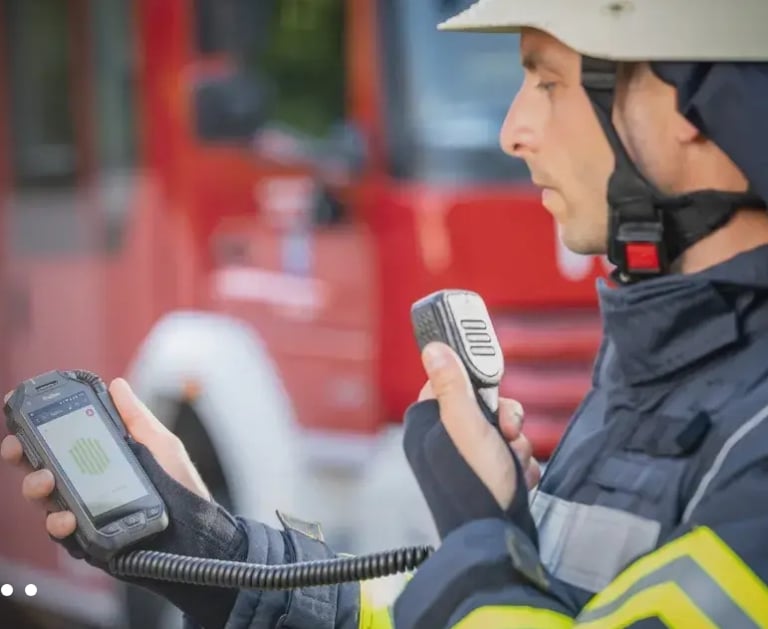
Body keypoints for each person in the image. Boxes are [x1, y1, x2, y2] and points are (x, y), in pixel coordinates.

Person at [3, 0, 768, 627]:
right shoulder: (653, 378)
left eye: (548, 82)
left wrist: (483, 534)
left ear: (688, 100)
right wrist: (207, 548)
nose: (511, 132)